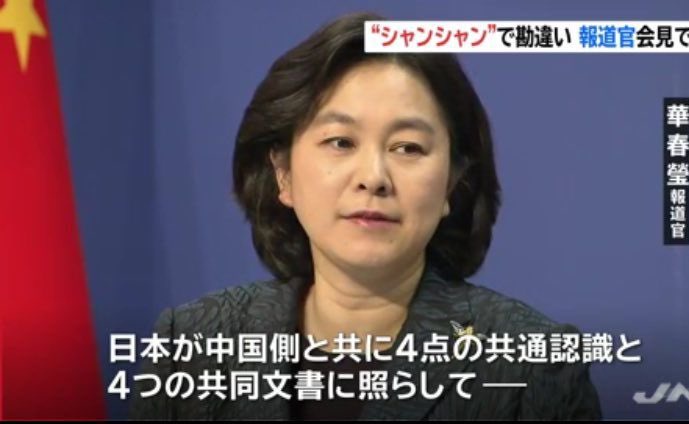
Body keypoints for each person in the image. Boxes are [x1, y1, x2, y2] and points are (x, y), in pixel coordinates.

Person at [129, 11, 602, 420]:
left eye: (408, 147)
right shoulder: (191, 347)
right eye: (341, 142)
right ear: (283, 174)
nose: (373, 177)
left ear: (451, 184)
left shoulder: (532, 366)